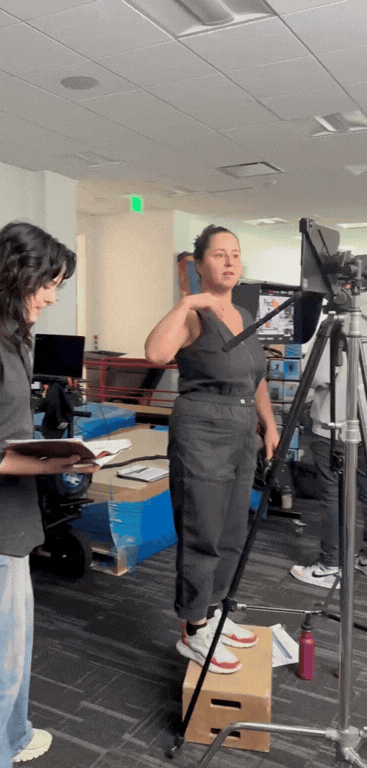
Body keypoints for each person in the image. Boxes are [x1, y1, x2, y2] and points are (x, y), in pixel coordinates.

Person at [0, 222, 99, 768]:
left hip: (8, 520)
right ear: (17, 275)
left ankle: (10, 737)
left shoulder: (4, 329)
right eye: (49, 284)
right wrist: (43, 461)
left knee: (11, 653)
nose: (53, 296)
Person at [145, 224, 279, 674]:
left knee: (231, 531)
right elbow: (155, 354)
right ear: (198, 264)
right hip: (202, 426)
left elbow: (254, 379)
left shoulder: (243, 313)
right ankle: (194, 628)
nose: (229, 261)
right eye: (219, 254)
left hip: (243, 430)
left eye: (235, 254)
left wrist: (270, 425)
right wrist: (185, 301)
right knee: (202, 531)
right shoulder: (193, 314)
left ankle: (217, 610)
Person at [290, 324, 367, 588]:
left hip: (335, 428)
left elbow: (317, 375)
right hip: (365, 428)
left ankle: (330, 565)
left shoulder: (340, 323)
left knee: (333, 496)